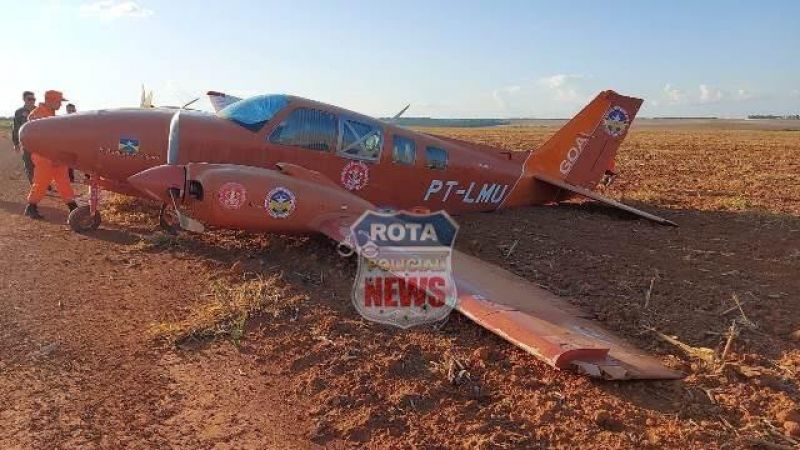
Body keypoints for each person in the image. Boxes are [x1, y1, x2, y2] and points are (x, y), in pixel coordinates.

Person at [24, 90, 78, 220]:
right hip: (44, 155)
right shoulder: (37, 115)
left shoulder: (51, 114)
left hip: (56, 155)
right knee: (42, 182)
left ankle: (73, 207)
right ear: (50, 100)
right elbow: (36, 138)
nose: (60, 104)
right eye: (59, 101)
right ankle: (31, 207)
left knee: (63, 180)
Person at [11, 91, 36, 183]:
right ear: (24, 99)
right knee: (29, 164)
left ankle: (42, 182)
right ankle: (33, 183)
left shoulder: (38, 110)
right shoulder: (19, 112)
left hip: (39, 142)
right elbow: (16, 128)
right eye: (30, 99)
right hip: (25, 142)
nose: (32, 101)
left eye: (33, 99)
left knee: (40, 163)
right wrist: (16, 143)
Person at [65, 103, 77, 182]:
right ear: (67, 110)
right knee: (68, 161)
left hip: (77, 143)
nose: (71, 112)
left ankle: (88, 176)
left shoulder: (79, 119)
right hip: (67, 144)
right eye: (69, 110)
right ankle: (70, 178)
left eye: (72, 110)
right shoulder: (63, 120)